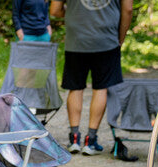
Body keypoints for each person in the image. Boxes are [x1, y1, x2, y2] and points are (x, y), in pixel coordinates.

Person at [50, 0, 133, 155]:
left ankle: (74, 139)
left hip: (76, 39)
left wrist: (74, 15)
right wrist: (120, 38)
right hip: (106, 39)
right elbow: (127, 9)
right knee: (100, 87)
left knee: (75, 87)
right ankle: (91, 140)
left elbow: (54, 10)